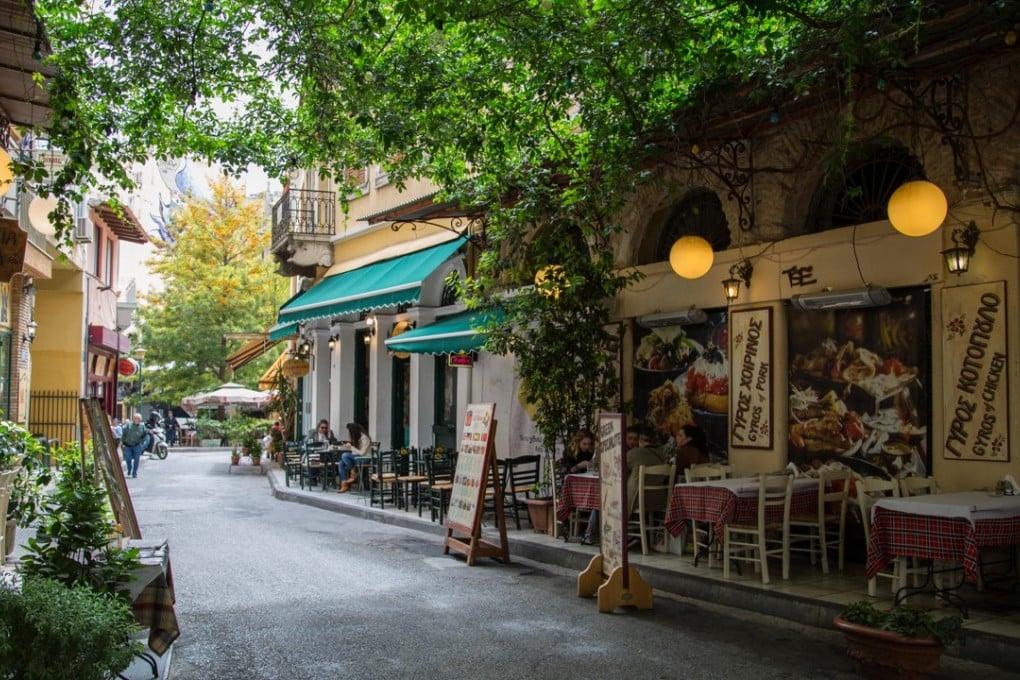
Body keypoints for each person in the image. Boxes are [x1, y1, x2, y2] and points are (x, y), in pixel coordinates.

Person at [337, 422, 372, 493]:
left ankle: (353, 473)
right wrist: (349, 447)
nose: (349, 434)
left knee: (344, 455)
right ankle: (344, 485)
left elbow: (362, 453)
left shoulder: (364, 438)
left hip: (365, 459)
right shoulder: (357, 438)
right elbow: (355, 453)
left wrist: (351, 447)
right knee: (341, 463)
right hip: (358, 458)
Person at [121, 413, 149, 478]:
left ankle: (134, 472)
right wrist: (122, 442)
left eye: (138, 419)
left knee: (136, 459)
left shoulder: (142, 426)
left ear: (140, 419)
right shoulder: (128, 425)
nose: (137, 420)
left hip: (137, 445)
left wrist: (142, 442)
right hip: (128, 445)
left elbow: (145, 434)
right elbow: (124, 434)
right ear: (133, 419)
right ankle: (129, 468)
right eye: (135, 418)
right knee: (128, 458)